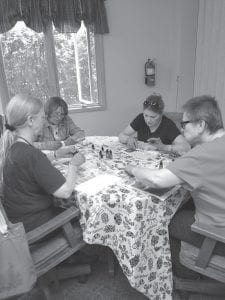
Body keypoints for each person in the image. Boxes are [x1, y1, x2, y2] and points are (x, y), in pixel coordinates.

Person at [125, 95, 225, 278]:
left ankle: (184, 275)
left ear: (201, 125)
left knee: (160, 221)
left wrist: (131, 168)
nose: (181, 127)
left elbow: (156, 179)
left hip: (217, 234)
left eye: (185, 123)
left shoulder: (201, 155)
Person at [0, 94, 85, 232]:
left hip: (19, 221)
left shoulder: (12, 146)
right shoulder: (32, 154)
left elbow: (33, 166)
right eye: (42, 117)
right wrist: (74, 165)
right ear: (31, 120)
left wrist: (57, 154)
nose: (45, 121)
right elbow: (65, 191)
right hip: (37, 226)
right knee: (78, 210)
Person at [119, 93, 190, 154]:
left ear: (161, 114)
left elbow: (186, 147)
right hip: (142, 158)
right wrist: (128, 139)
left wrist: (164, 147)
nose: (148, 120)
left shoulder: (168, 125)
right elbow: (121, 135)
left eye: (153, 117)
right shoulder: (140, 118)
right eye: (146, 115)